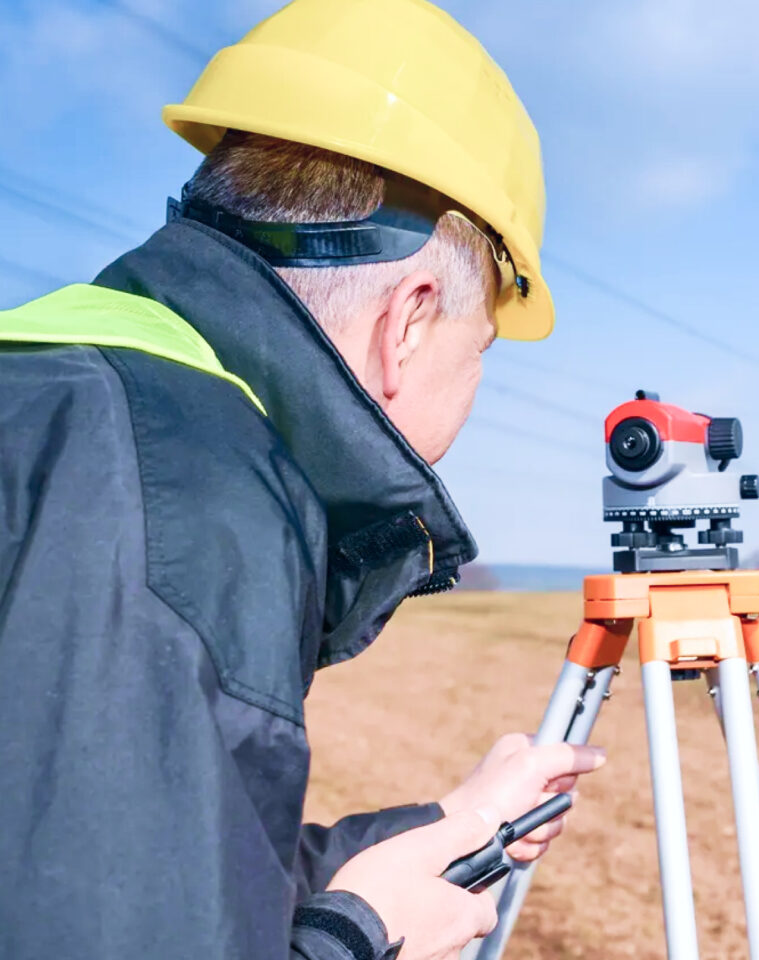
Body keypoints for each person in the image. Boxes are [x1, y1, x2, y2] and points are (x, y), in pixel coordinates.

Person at [0, 3, 602, 959]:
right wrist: (358, 935)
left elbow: (142, 876)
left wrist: (437, 829)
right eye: (482, 346)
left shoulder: (66, 399)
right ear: (409, 318)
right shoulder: (183, 510)